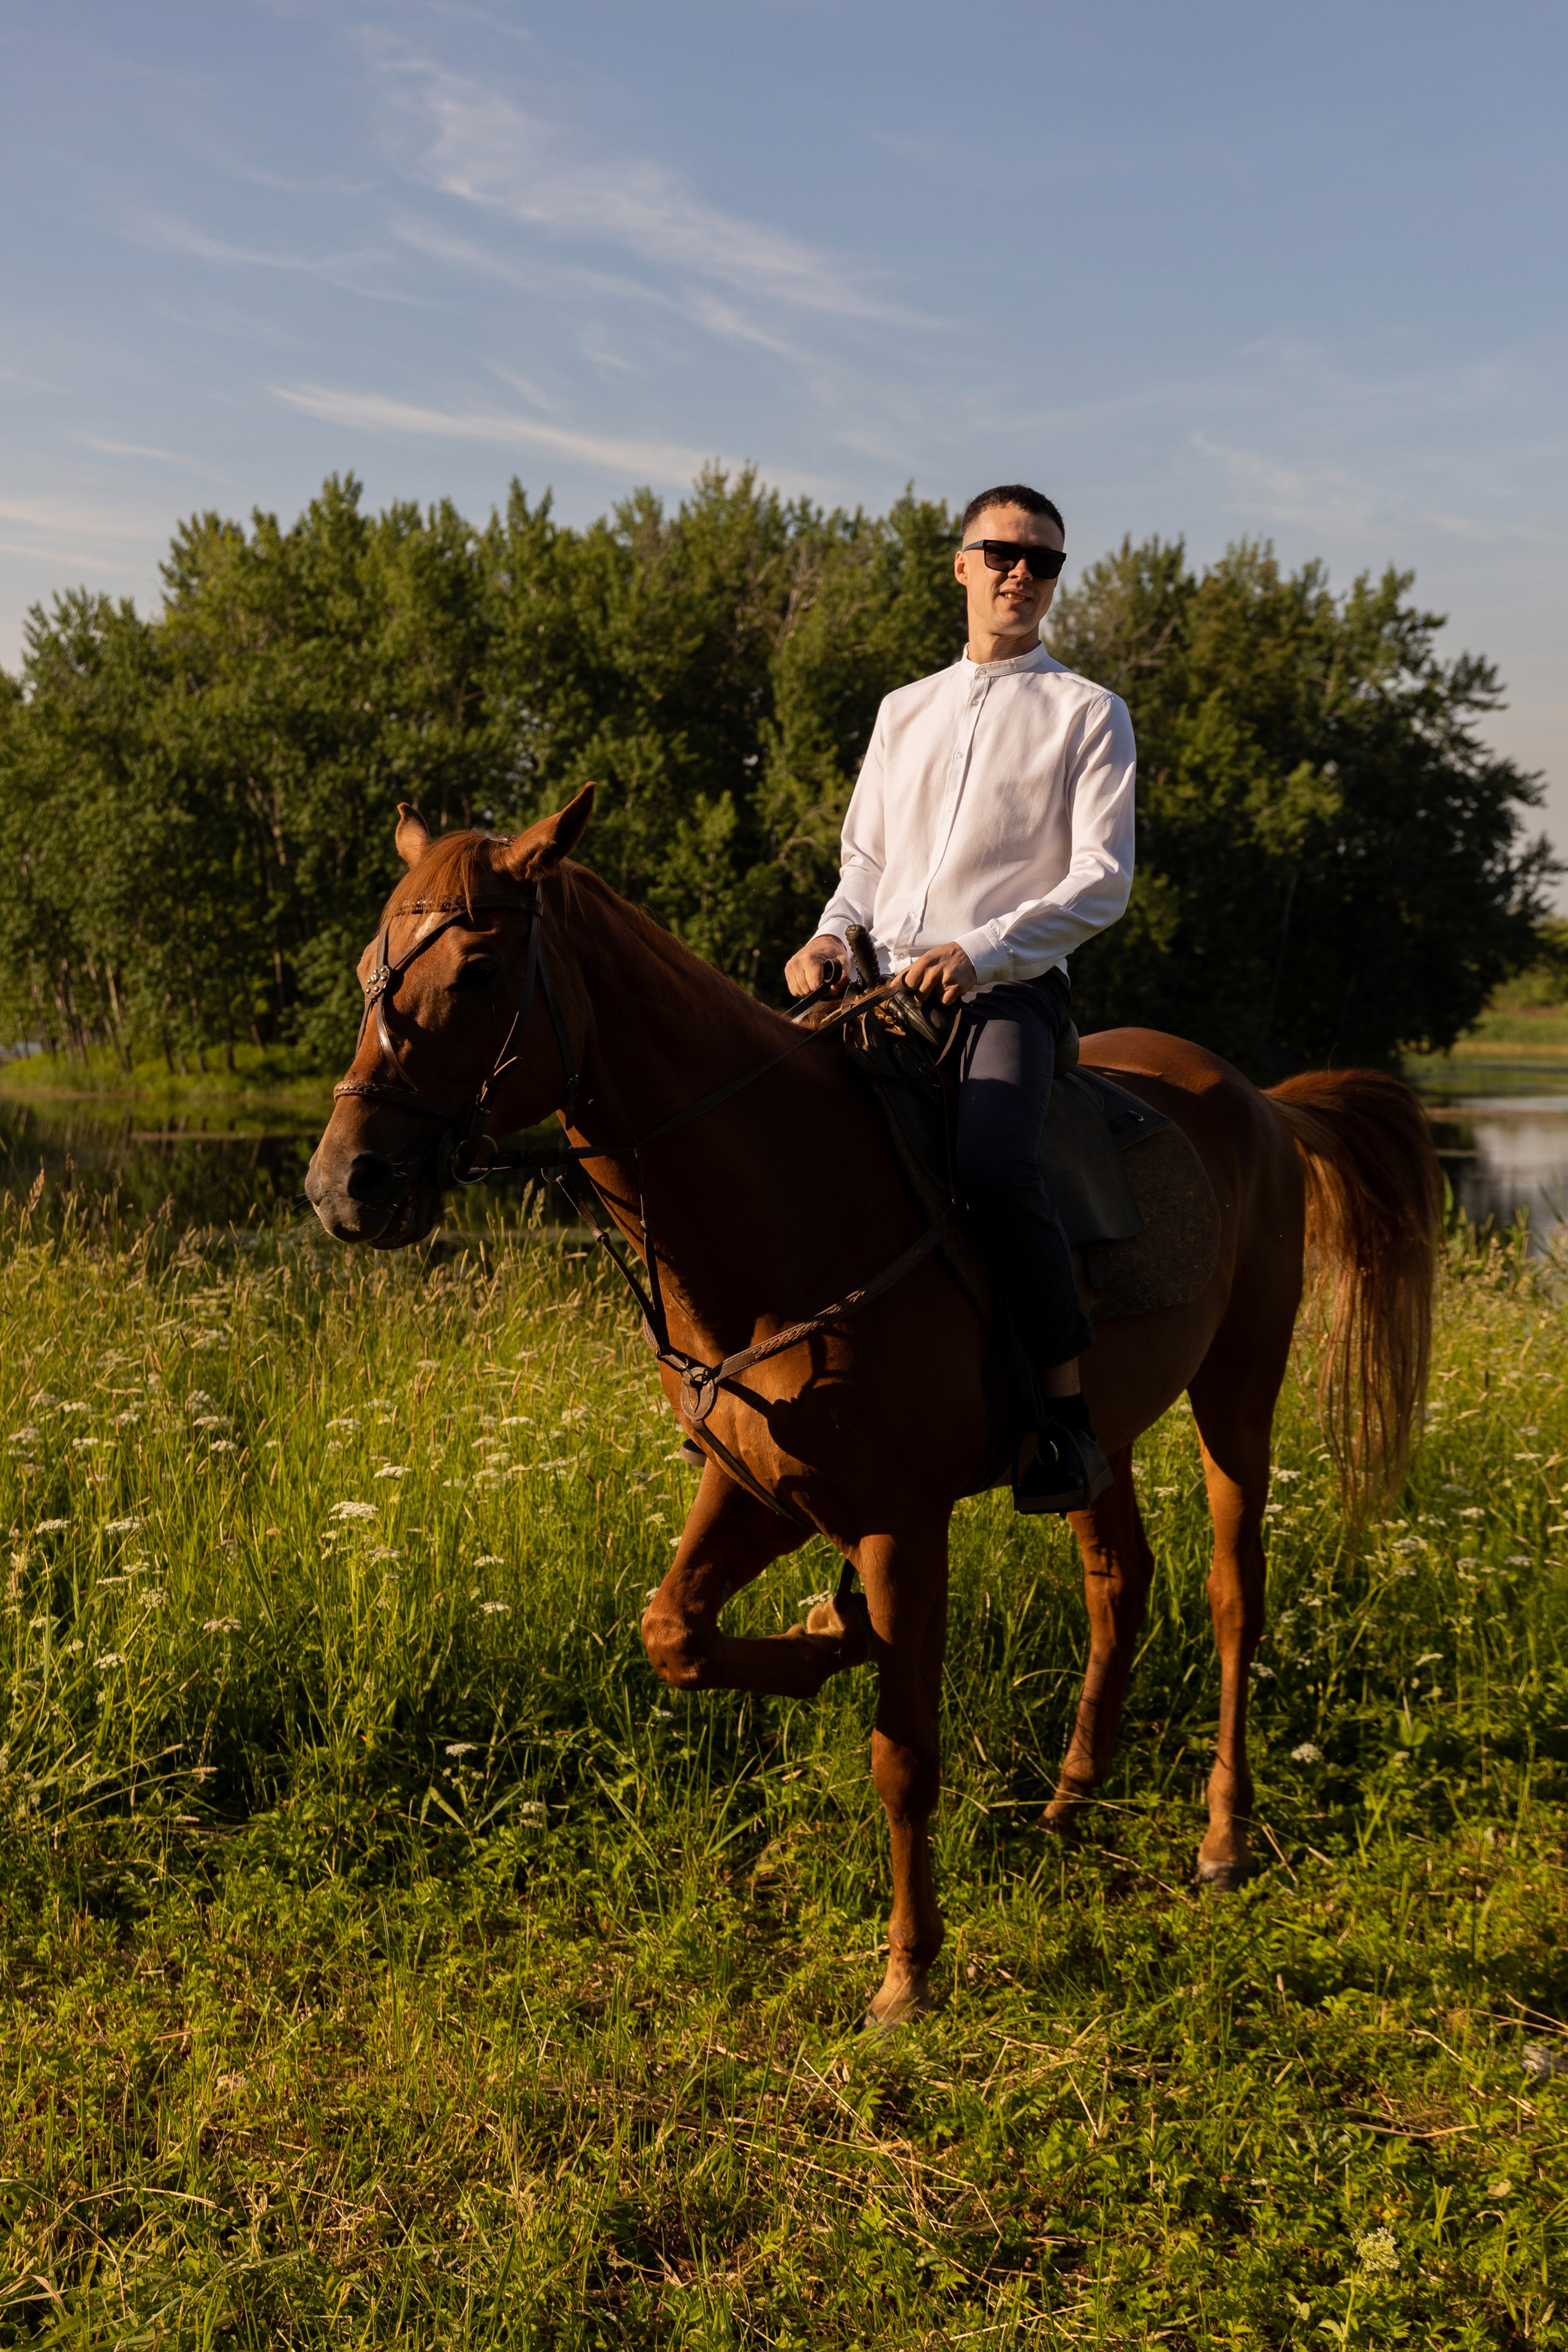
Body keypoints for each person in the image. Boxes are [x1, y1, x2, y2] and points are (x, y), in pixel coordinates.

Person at [785, 483, 1136, 1512]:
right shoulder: (905, 709)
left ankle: (1063, 1418)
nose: (1021, 573)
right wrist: (830, 932)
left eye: (1043, 561)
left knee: (991, 1163)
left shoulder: (1089, 713)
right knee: (765, 1128)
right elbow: (865, 860)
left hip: (1008, 996)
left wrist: (983, 952)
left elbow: (1101, 882)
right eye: (1002, 554)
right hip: (878, 987)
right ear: (962, 566)